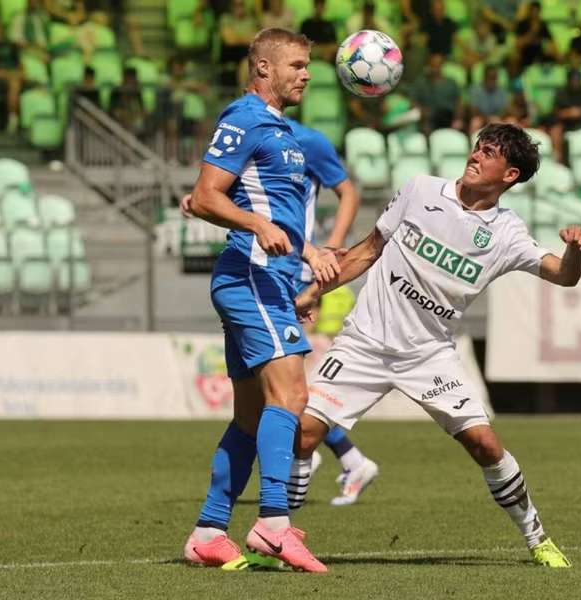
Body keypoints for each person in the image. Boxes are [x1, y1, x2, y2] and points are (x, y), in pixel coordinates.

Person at [291, 123, 581, 569]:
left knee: (486, 447)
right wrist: (318, 288)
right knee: (302, 436)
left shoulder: (506, 233)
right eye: (478, 146)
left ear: (509, 176)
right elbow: (368, 250)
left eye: (490, 153)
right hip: (364, 343)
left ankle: (537, 536)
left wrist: (574, 251)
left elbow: (564, 276)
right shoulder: (419, 190)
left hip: (429, 355)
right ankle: (276, 537)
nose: (476, 155)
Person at [179, 28, 338, 574]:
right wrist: (253, 223)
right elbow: (205, 196)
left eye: (307, 65)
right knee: (291, 397)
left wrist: (307, 254)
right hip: (249, 277)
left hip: (270, 279)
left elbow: (267, 207)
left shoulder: (283, 131)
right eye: (296, 64)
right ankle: (273, 525)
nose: (306, 73)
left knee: (250, 416)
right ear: (263, 68)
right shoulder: (245, 118)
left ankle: (207, 531)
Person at [285, 118, 379, 507]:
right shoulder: (246, 130)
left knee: (281, 386)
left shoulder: (305, 140)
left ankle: (315, 457)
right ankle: (348, 459)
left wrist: (332, 248)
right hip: (258, 270)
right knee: (270, 388)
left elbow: (347, 192)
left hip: (292, 273)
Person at [409, 53, 464, 132]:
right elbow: (413, 102)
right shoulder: (420, 83)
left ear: (442, 65)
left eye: (437, 65)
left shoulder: (451, 83)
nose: (435, 68)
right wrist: (423, 112)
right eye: (433, 65)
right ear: (428, 66)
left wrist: (458, 118)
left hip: (448, 118)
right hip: (428, 119)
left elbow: (459, 102)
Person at [512, 1, 556, 74]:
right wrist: (532, 32)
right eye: (533, 11)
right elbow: (518, 44)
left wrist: (553, 51)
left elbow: (551, 42)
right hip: (525, 54)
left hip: (539, 55)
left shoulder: (543, 25)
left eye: (537, 11)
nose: (534, 14)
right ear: (529, 11)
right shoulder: (522, 24)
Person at [468, 64, 508, 135]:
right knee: (475, 122)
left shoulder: (502, 91)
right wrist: (487, 119)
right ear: (484, 77)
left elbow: (504, 109)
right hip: (481, 118)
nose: (492, 80)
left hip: (497, 119)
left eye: (494, 77)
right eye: (490, 77)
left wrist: (496, 117)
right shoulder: (475, 89)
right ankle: (474, 144)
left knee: (511, 121)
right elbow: (473, 109)